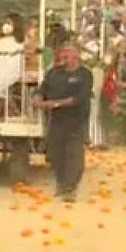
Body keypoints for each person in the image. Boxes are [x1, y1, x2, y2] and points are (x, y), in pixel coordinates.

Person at [36, 43, 93, 200]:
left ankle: (70, 188)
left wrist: (57, 103)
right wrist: (38, 100)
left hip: (76, 120)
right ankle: (61, 184)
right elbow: (42, 89)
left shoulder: (84, 74)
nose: (64, 58)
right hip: (56, 120)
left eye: (67, 55)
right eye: (62, 54)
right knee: (56, 155)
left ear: (76, 57)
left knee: (73, 155)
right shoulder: (53, 73)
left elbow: (81, 98)